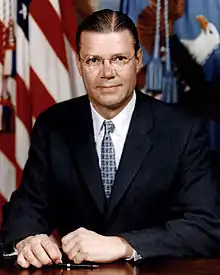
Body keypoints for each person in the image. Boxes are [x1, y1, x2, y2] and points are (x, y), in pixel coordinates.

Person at [1, 8, 220, 269]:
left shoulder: (182, 130)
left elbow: (207, 227)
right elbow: (27, 208)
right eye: (94, 60)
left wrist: (123, 244)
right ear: (79, 64)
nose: (107, 72)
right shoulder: (54, 125)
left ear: (138, 60)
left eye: (119, 58)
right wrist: (27, 240)